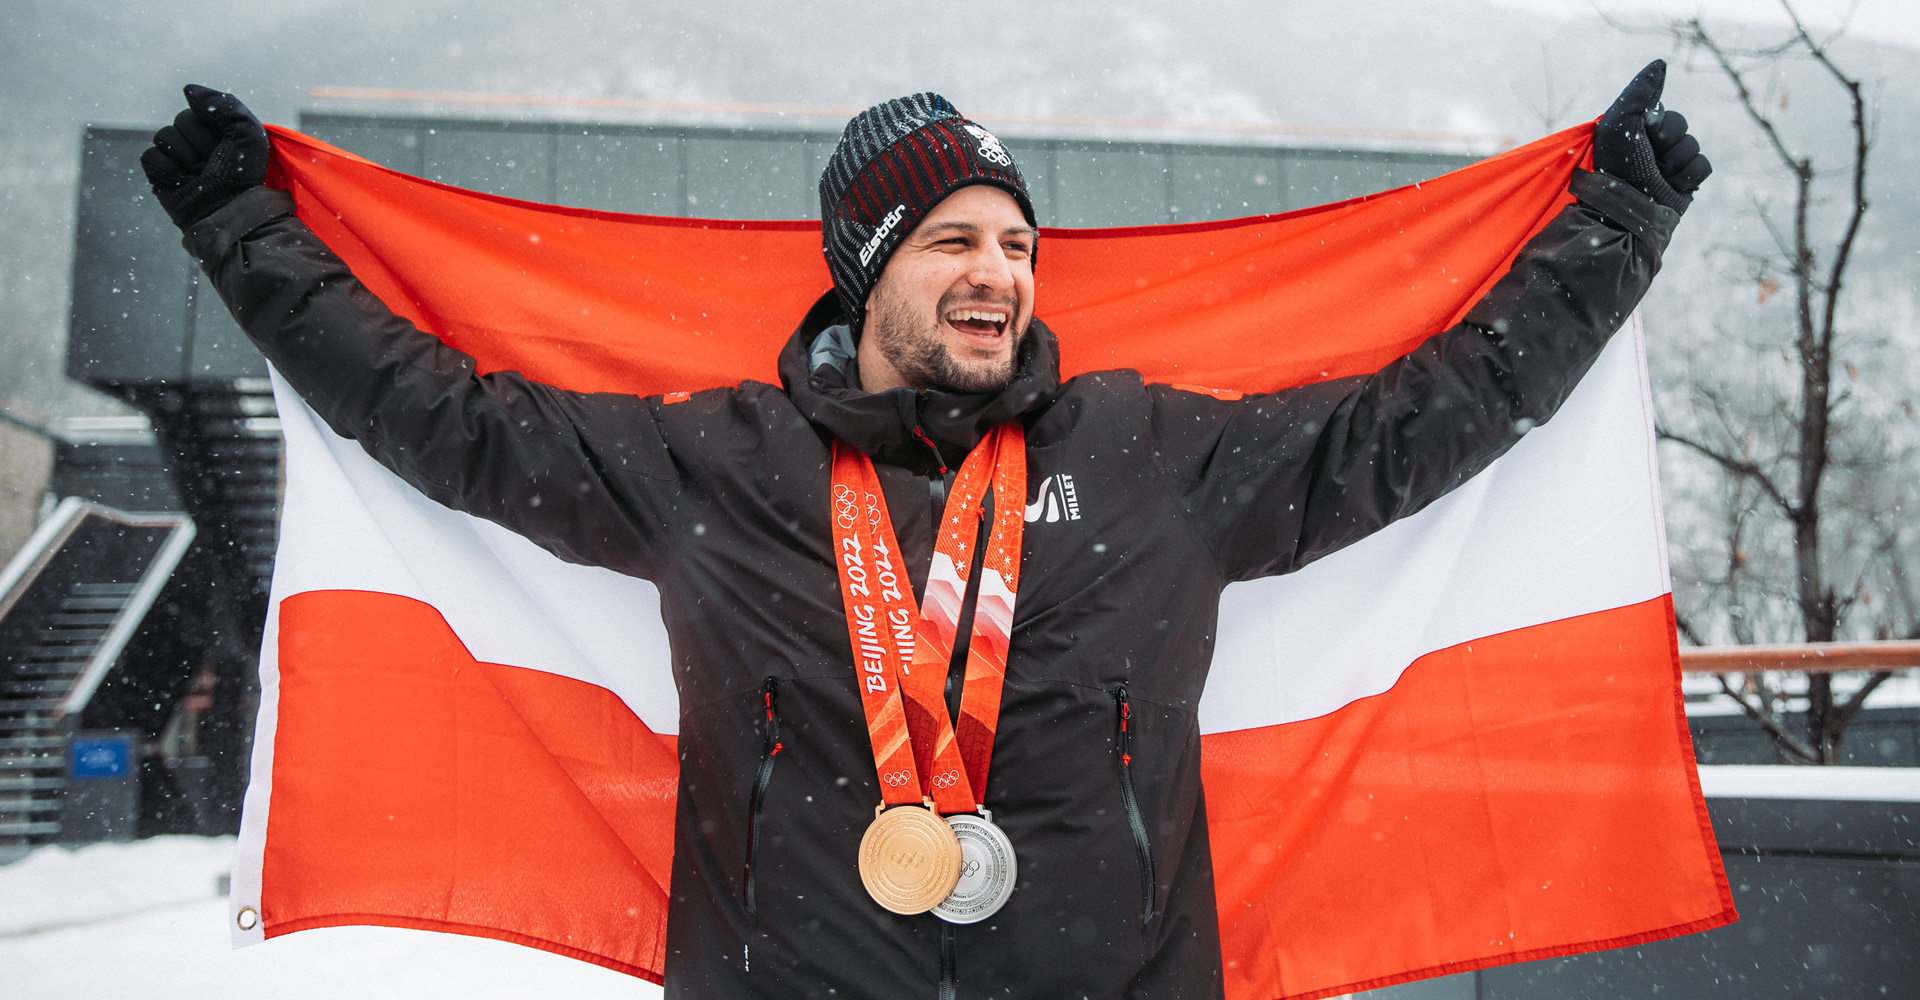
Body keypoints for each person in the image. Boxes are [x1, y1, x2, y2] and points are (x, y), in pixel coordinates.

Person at [143, 63, 1708, 999]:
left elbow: (1412, 424)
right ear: (862, 265)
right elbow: (449, 421)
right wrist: (243, 238)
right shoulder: (724, 466)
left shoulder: (1153, 453)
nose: (998, 273)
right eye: (952, 238)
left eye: (1018, 244)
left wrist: (1612, 233)